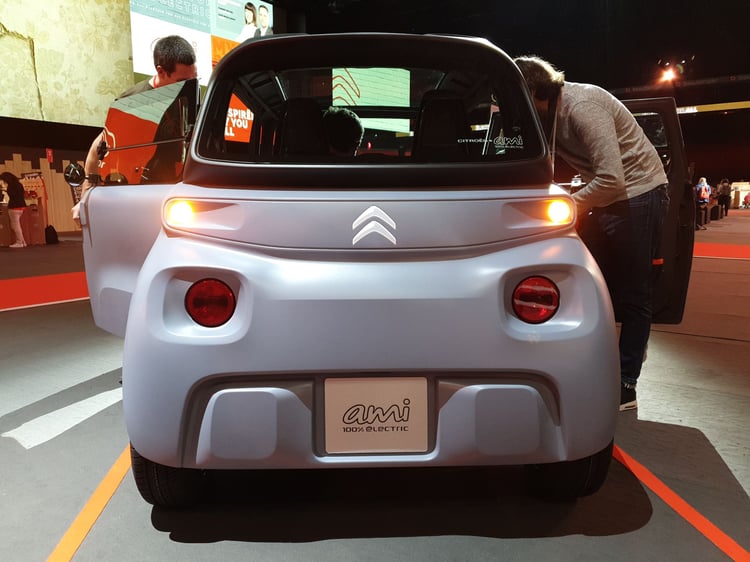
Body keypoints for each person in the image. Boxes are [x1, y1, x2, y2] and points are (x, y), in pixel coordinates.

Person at [514, 55, 670, 412]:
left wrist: (570, 203)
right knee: (594, 287)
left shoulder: (582, 107)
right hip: (608, 195)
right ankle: (604, 362)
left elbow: (612, 179)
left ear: (536, 91)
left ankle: (626, 383)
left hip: (638, 192)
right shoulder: (550, 116)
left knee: (635, 294)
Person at [72, 35, 198, 224]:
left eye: (193, 79)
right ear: (161, 71)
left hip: (178, 196)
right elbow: (97, 148)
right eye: (183, 81)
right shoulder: (133, 103)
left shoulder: (187, 97)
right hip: (144, 198)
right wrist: (85, 198)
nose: (190, 86)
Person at [0, 172, 28, 248]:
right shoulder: (19, 184)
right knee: (16, 225)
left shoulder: (11, 186)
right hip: (22, 206)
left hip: (14, 207)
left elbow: (12, 195)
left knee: (15, 226)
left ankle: (20, 242)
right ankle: (23, 242)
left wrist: (5, 190)